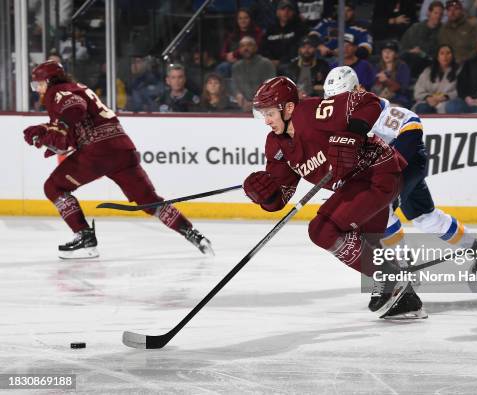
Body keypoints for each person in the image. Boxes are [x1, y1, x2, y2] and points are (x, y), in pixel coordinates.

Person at [244, 76, 424, 318]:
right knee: (365, 243)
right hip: (356, 185)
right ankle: (407, 301)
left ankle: (391, 278)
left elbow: (371, 102)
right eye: (262, 115)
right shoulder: (276, 145)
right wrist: (265, 195)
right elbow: (280, 198)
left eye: (269, 114)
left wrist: (354, 134)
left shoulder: (313, 112)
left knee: (323, 230)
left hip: (378, 172)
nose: (266, 121)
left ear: (288, 108)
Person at [324, 66, 477, 289]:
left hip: (406, 164)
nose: (336, 104)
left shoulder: (376, 110)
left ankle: (404, 269)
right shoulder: (339, 121)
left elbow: (411, 121)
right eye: (332, 99)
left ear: (359, 90)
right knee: (424, 217)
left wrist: (393, 167)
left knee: (381, 210)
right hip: (397, 169)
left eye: (342, 97)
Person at [23, 61, 213, 259]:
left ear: (49, 80)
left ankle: (84, 237)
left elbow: (74, 109)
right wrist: (46, 131)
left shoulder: (57, 91)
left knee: (54, 188)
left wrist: (55, 130)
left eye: (38, 84)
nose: (38, 90)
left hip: (97, 151)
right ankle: (194, 235)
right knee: (150, 202)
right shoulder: (79, 88)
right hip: (122, 149)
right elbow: (74, 128)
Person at [231, 36, 277, 112]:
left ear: (255, 47)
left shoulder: (266, 63)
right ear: (239, 50)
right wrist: (238, 96)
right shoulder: (236, 66)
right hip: (242, 108)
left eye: (249, 45)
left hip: (264, 109)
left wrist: (255, 104)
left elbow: (271, 88)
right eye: (242, 46)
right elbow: (235, 87)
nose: (246, 48)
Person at [412, 44, 460, 114]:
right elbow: (418, 90)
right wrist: (428, 98)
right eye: (442, 53)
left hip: (447, 102)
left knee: (453, 107)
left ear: (452, 55)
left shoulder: (458, 71)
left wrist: (445, 97)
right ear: (437, 56)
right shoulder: (428, 71)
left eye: (448, 53)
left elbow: (459, 91)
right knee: (423, 108)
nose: (445, 56)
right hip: (428, 101)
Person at [260, 0, 308, 68]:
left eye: (289, 10)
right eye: (283, 9)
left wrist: (281, 62)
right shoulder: (270, 30)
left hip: (292, 65)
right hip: (271, 64)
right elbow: (263, 48)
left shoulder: (299, 28)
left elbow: (299, 50)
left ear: (293, 13)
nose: (286, 12)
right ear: (277, 12)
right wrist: (270, 60)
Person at [438, 0, 477, 64]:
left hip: (467, 64)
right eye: (449, 10)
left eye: (456, 9)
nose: (452, 12)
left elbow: (476, 49)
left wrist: (463, 60)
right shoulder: (443, 29)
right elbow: (441, 49)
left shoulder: (471, 26)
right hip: (448, 64)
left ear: (461, 11)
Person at [371, 41, 411, 108]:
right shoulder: (377, 67)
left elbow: (403, 88)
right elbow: (371, 86)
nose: (387, 54)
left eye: (390, 51)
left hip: (397, 101)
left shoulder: (402, 67)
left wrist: (387, 81)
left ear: (396, 54)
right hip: (378, 100)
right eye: (384, 51)